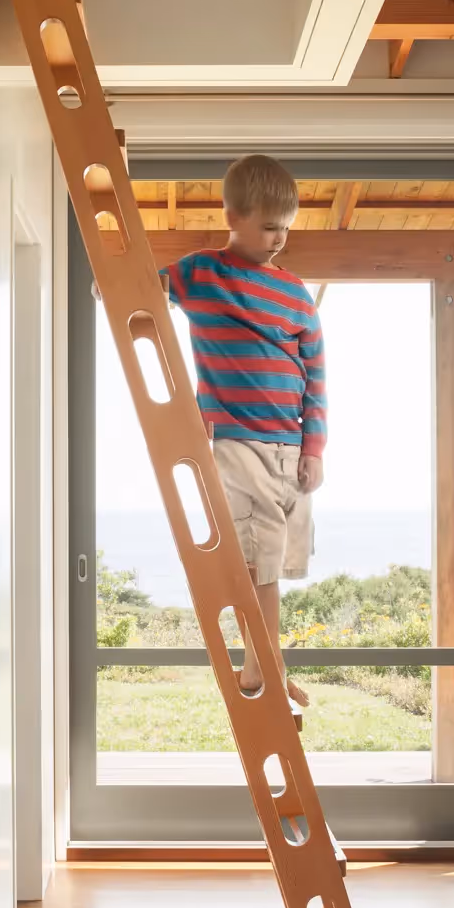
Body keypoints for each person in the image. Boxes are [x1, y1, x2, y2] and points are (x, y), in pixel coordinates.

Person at [158, 153, 325, 707]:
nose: (280, 238)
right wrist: (110, 291)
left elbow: (315, 374)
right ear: (234, 216)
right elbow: (146, 287)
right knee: (258, 566)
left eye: (286, 228)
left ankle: (267, 663)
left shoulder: (298, 294)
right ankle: (265, 669)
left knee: (276, 566)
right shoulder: (203, 273)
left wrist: (314, 448)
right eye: (269, 226)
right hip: (238, 441)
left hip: (290, 448)